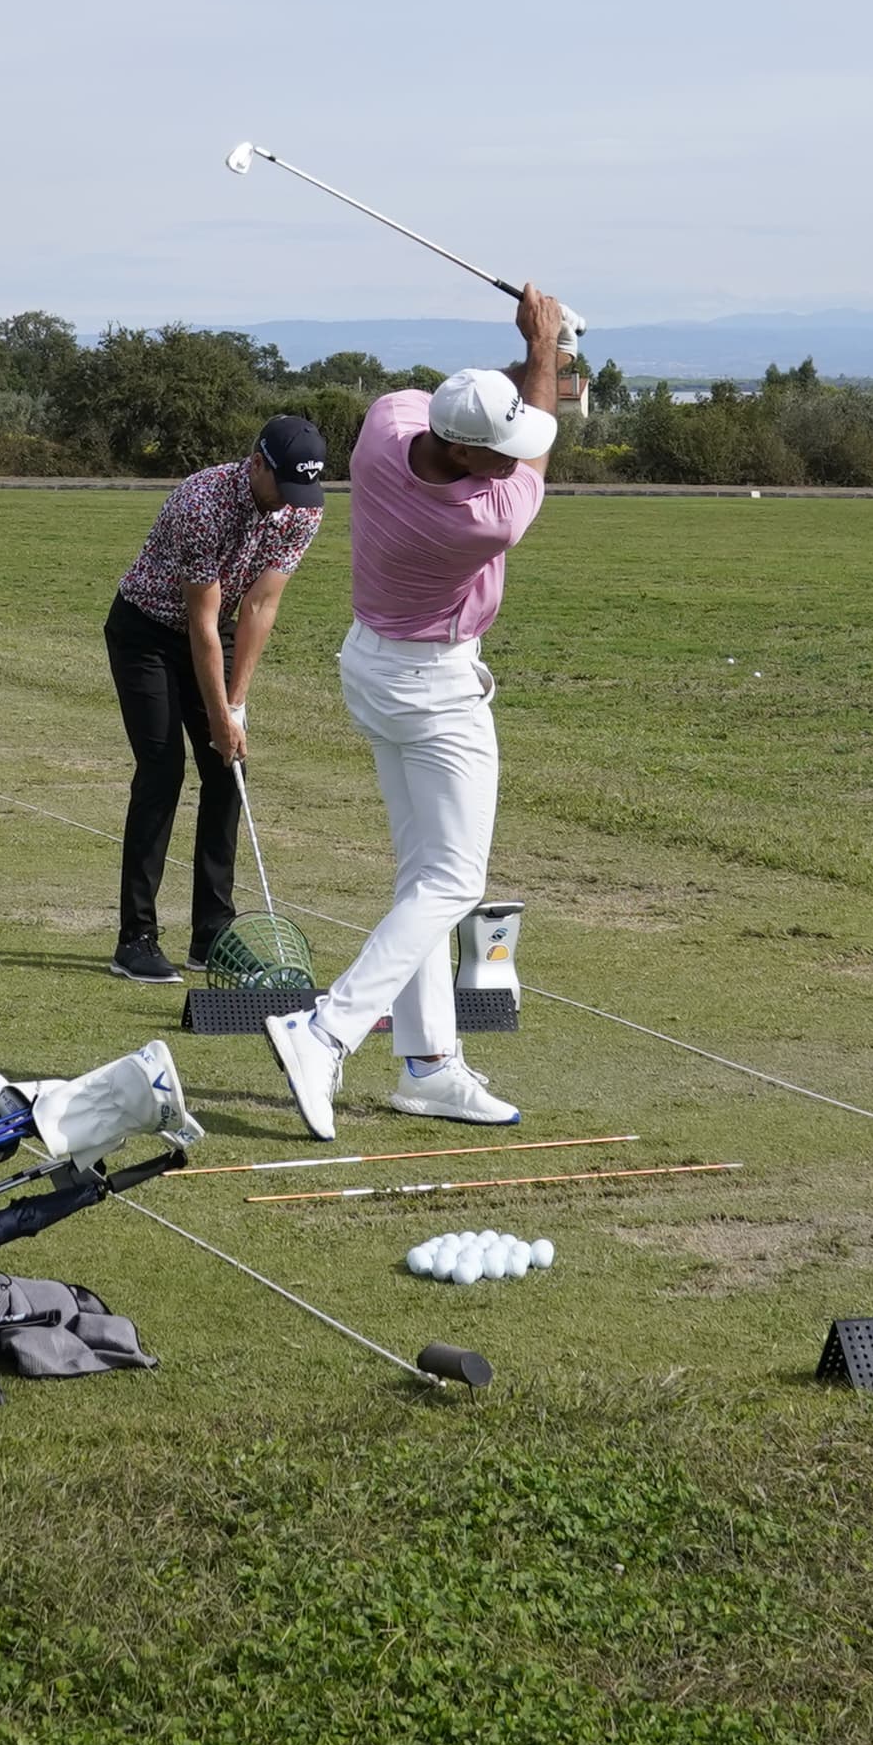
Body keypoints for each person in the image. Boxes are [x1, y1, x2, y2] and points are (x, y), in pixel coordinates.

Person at [265, 294, 567, 1139]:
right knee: (454, 881)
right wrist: (544, 344)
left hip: (369, 663)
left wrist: (526, 365)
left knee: (421, 876)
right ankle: (325, 1031)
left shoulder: (385, 423)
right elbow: (536, 421)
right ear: (466, 451)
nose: (513, 459)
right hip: (433, 688)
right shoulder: (484, 516)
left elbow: (500, 412)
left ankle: (428, 1065)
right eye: (498, 450)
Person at [103, 414, 328, 983]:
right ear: (256, 464)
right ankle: (136, 939)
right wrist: (219, 714)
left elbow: (258, 608)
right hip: (147, 632)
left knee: (229, 770)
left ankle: (212, 934)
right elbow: (200, 623)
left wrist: (237, 705)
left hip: (217, 626)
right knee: (162, 770)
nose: (288, 503)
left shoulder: (302, 508)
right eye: (283, 485)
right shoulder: (202, 504)